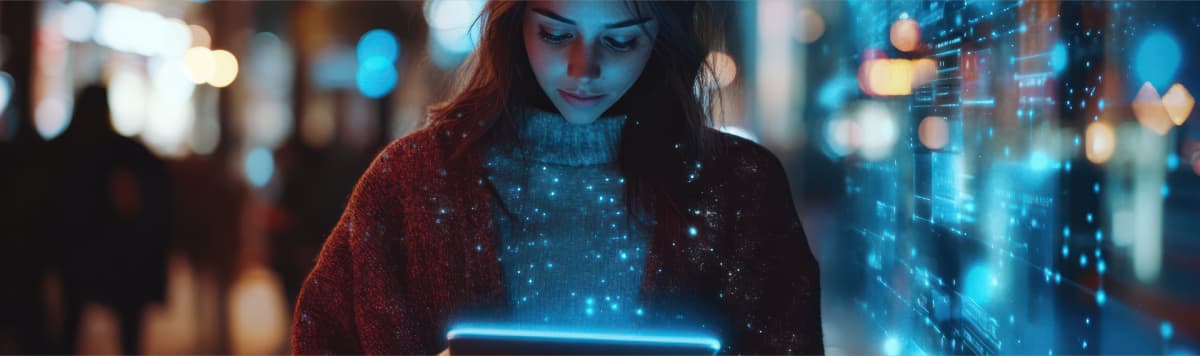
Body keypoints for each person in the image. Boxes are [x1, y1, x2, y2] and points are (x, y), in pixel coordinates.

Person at [292, 1, 823, 354]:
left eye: (619, 42)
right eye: (555, 33)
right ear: (513, 21)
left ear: (664, 36)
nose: (581, 68)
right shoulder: (412, 180)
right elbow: (324, 338)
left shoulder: (739, 187)